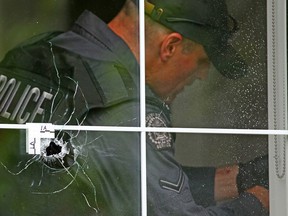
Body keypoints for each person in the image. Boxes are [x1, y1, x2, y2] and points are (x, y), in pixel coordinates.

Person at [0, 0, 269, 215]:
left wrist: (241, 178)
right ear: (171, 47)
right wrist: (257, 204)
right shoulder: (126, 107)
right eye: (201, 61)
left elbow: (113, 177)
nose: (200, 75)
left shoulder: (36, 52)